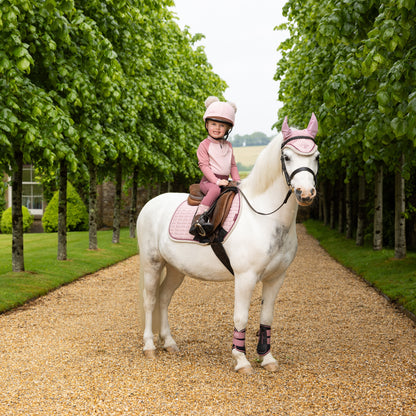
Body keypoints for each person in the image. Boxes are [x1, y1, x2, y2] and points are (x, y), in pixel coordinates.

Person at [189, 96, 240, 236]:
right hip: (209, 181)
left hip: (224, 180)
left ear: (228, 128)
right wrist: (216, 181)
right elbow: (204, 166)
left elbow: (233, 166)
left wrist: (237, 181)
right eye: (213, 124)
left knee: (237, 193)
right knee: (215, 191)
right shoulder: (204, 145)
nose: (217, 128)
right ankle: (199, 218)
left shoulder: (228, 146)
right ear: (207, 125)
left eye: (222, 125)